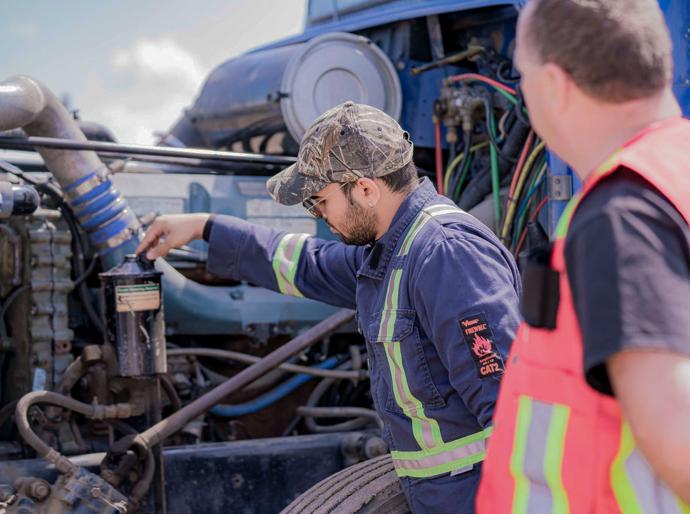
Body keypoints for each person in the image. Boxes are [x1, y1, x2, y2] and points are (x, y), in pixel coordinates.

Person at [137, 101, 521, 513]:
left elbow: (514, 411)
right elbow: (306, 263)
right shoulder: (390, 255)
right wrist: (204, 227)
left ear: (366, 189)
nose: (320, 215)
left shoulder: (446, 255)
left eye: (320, 200)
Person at [477, 0, 690, 511]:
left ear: (554, 84)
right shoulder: (672, 172)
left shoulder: (621, 214)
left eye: (523, 77)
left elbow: (676, 430)